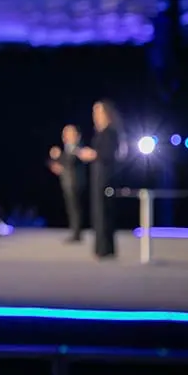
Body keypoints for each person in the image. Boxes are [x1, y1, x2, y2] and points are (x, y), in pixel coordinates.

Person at [77, 100, 124, 259]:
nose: (95, 116)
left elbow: (109, 154)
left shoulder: (111, 132)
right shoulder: (100, 132)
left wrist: (93, 154)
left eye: (98, 112)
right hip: (97, 174)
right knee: (98, 211)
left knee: (104, 212)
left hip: (106, 175)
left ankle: (105, 248)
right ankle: (101, 247)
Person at [48, 124, 85, 243]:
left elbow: (71, 161)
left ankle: (77, 233)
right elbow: (62, 163)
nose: (65, 136)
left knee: (75, 208)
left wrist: (59, 156)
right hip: (67, 181)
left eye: (68, 133)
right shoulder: (68, 148)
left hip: (75, 182)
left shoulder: (77, 147)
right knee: (71, 208)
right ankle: (74, 231)